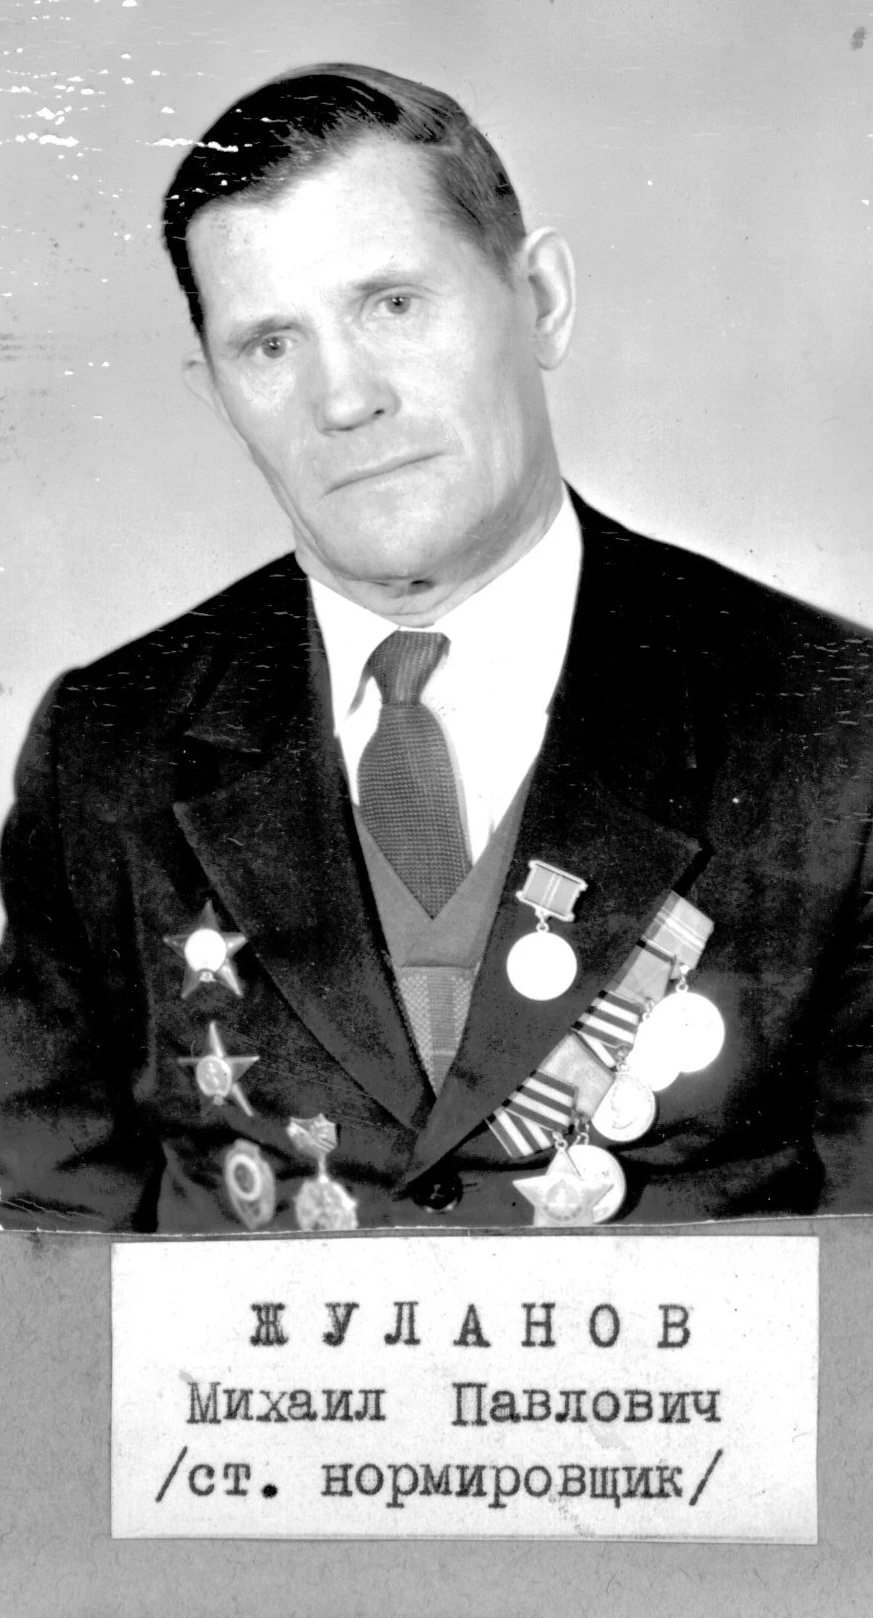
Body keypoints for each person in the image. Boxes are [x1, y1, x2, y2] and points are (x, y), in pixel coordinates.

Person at [1, 62, 872, 1234]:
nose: (343, 398)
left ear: (541, 299)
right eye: (270, 344)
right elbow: (43, 1276)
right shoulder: (108, 746)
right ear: (216, 392)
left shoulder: (835, 725)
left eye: (393, 304)